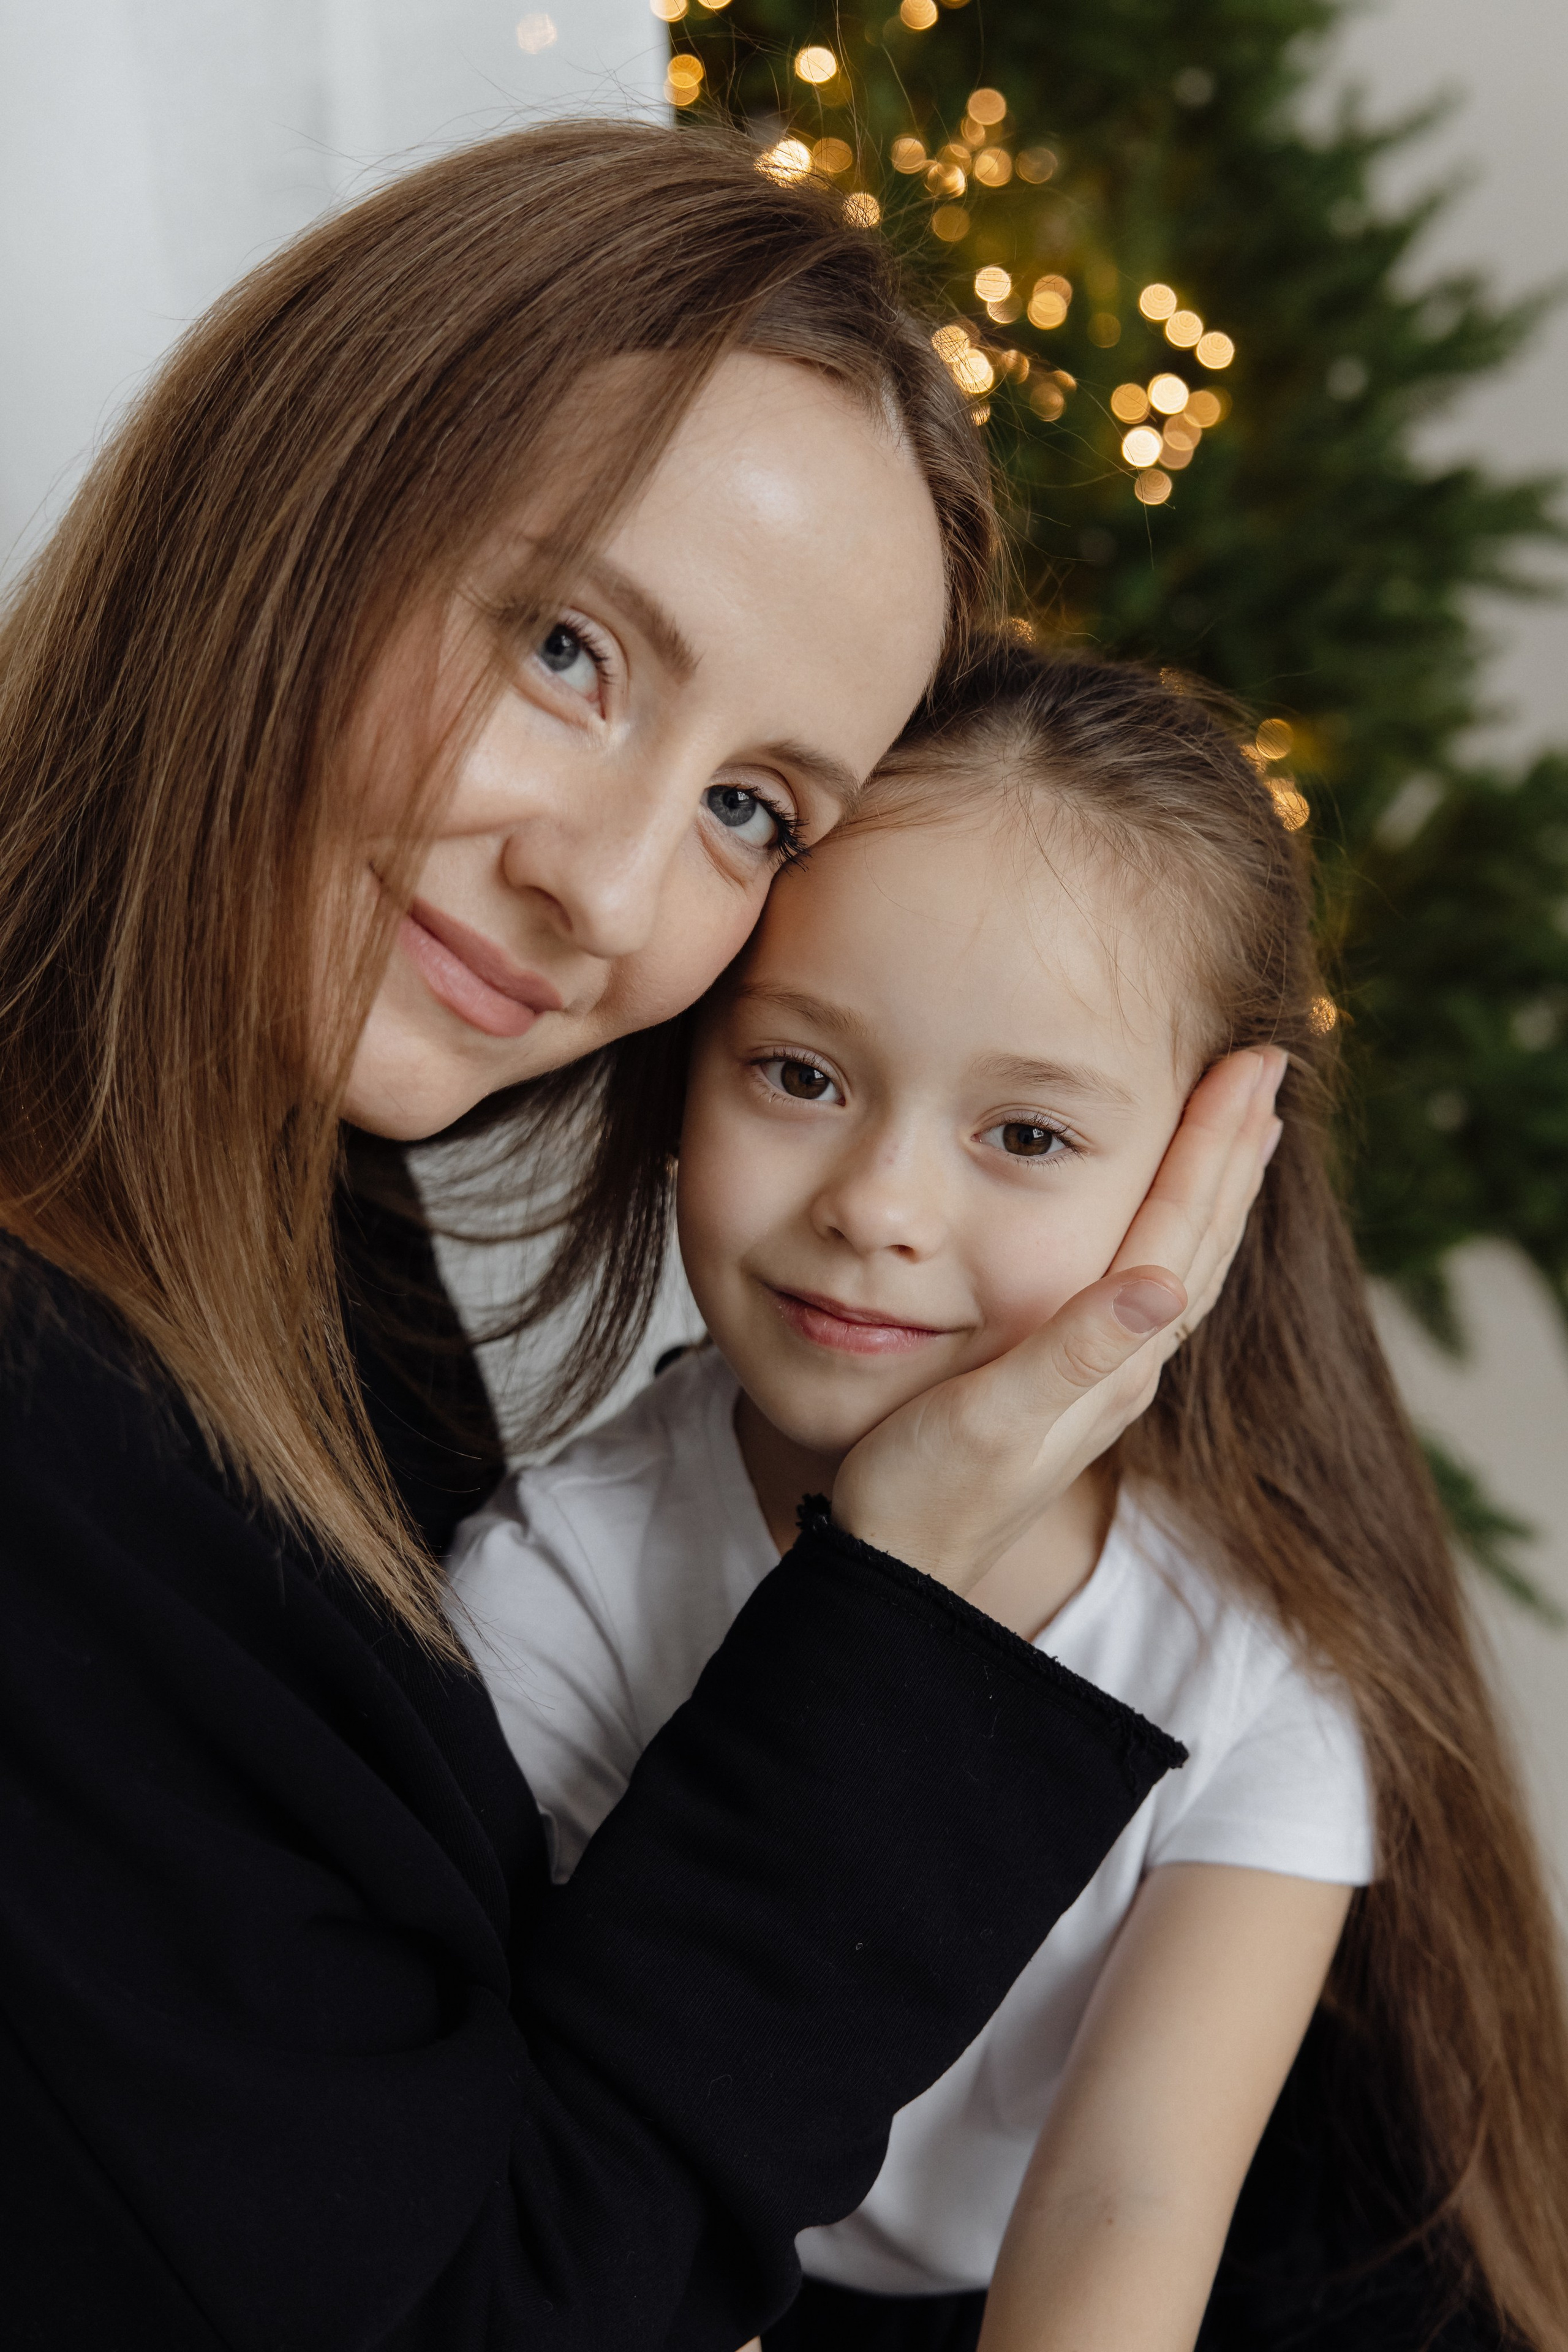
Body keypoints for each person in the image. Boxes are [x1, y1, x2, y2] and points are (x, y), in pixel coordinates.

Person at [0, 124, 1279, 2348]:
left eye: (749, 808)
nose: (604, 891)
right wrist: (903, 1590)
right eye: (572, 650)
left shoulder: (302, 1225)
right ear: (290, 492)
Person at [450, 643, 1568, 2352]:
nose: (880, 1208)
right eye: (800, 1075)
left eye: (1027, 1136)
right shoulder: (552, 1587)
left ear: (1208, 1179)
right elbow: (572, 2193)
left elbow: (1129, 2207)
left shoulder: (1252, 1656)